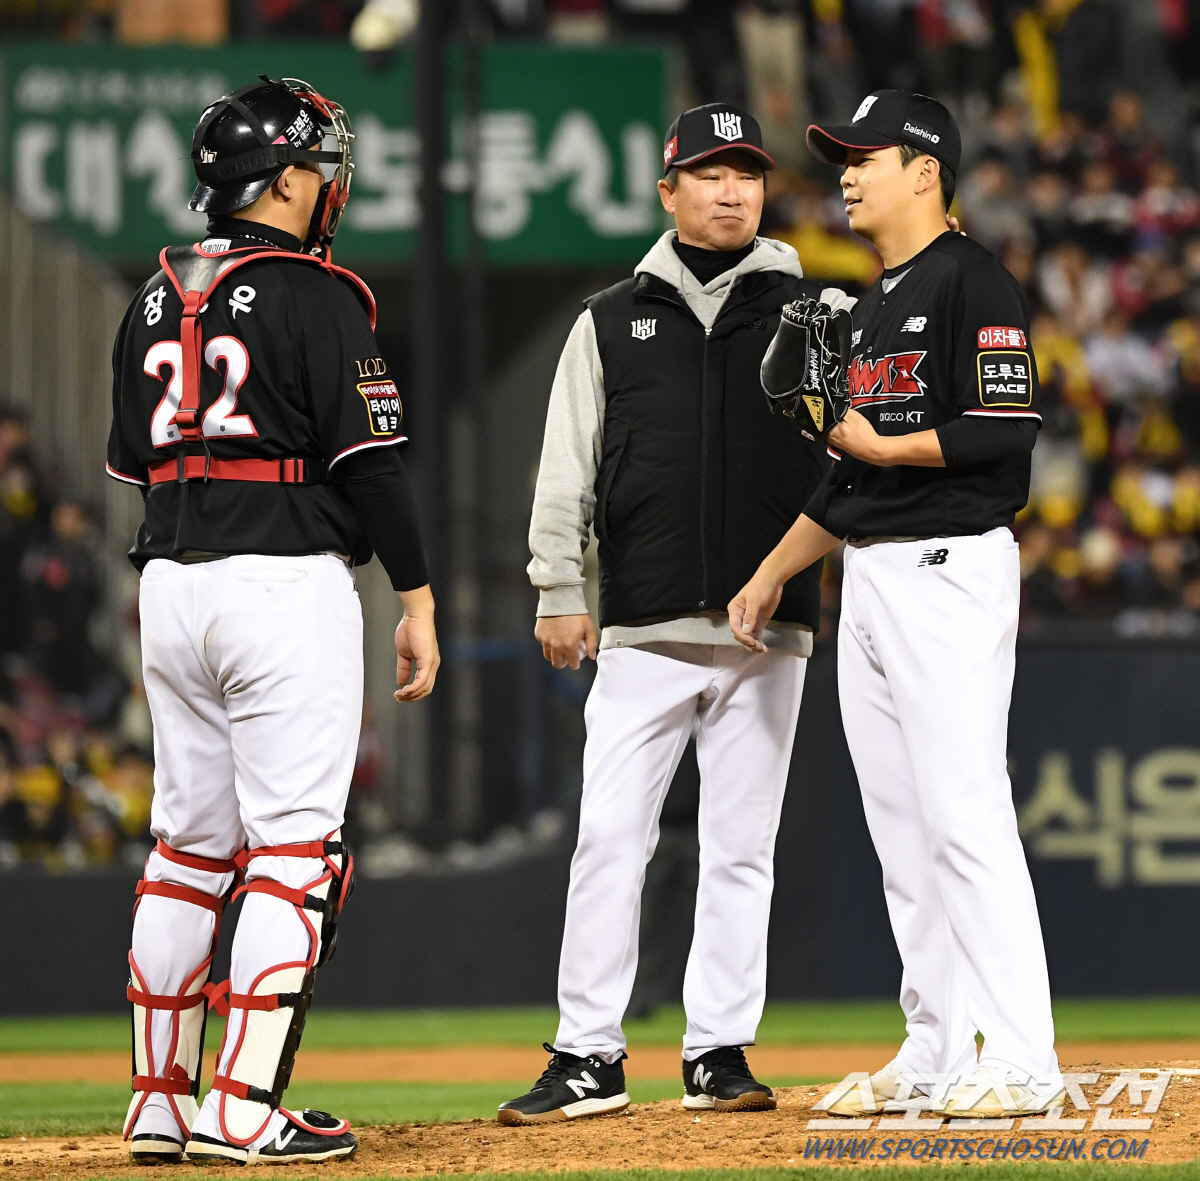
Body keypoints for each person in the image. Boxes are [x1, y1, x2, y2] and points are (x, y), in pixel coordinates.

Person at [499, 103, 854, 1125]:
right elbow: (565, 463)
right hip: (645, 622)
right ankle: (586, 1053)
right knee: (610, 835)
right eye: (709, 172)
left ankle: (718, 1049)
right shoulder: (610, 316)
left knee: (744, 844)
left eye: (747, 171)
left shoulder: (815, 308)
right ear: (669, 191)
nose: (731, 188)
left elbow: (849, 459)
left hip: (767, 627)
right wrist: (558, 587)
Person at [106, 77, 439, 1165]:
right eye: (321, 166)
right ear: (289, 177)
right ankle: (243, 1108)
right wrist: (419, 593)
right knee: (295, 850)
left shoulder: (154, 295)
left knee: (187, 847)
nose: (329, 182)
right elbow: (373, 466)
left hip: (169, 582)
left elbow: (136, 461)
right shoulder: (317, 291)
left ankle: (160, 1100)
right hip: (280, 584)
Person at [730, 90, 1064, 1119]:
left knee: (963, 809)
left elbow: (1005, 428)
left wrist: (884, 443)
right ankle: (935, 1041)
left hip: (948, 563)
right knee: (902, 826)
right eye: (842, 155)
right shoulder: (874, 299)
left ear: (926, 169)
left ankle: (1020, 1053)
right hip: (870, 572)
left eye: (866, 155)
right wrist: (772, 569)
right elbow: (848, 483)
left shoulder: (975, 279)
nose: (847, 170)